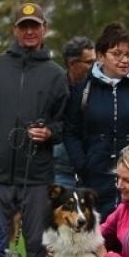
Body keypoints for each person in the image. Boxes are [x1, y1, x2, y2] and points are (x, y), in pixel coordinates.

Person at [0, 1, 69, 257]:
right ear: (14, 30)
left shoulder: (57, 75)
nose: (29, 32)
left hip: (37, 176)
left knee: (38, 244)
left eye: (35, 26)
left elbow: (66, 124)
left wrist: (49, 133)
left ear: (45, 29)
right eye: (24, 27)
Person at [65, 22, 129, 217]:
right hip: (94, 184)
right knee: (99, 233)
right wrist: (83, 164)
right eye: (117, 54)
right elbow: (71, 132)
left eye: (128, 54)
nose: (124, 60)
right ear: (101, 56)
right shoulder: (82, 91)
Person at [54, 35, 96, 190]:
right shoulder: (55, 89)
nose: (95, 67)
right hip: (61, 169)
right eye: (89, 62)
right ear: (72, 63)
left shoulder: (100, 88)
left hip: (92, 168)